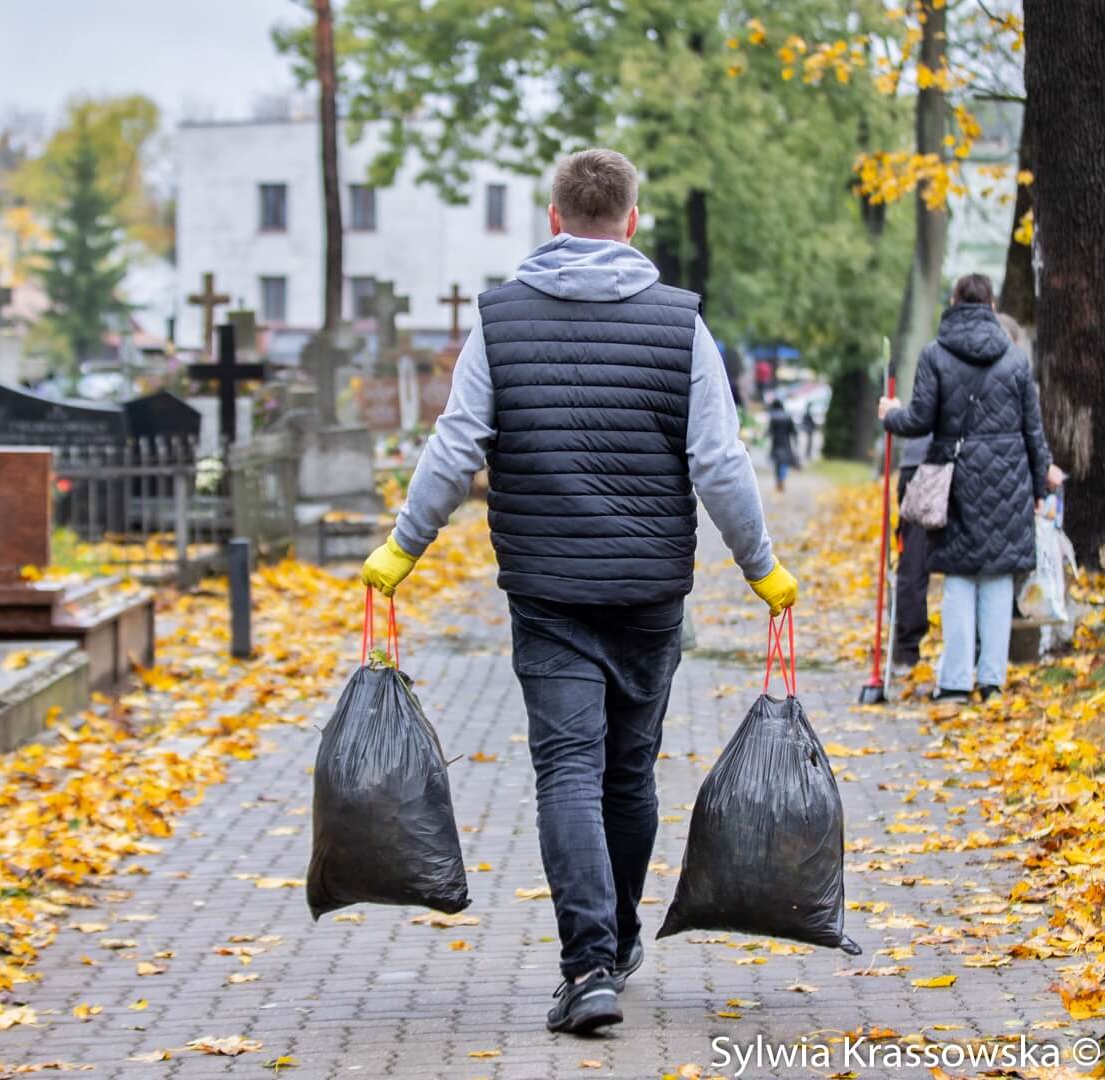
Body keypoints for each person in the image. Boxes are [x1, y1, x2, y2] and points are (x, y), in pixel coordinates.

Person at [360, 148, 798, 1036]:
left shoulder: (501, 319)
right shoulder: (683, 326)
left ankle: (589, 964)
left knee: (567, 768)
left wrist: (404, 547)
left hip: (549, 588)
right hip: (647, 590)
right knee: (628, 770)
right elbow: (718, 459)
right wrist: (760, 565)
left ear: (553, 220)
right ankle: (618, 936)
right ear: (632, 222)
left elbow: (455, 446)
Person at [878, 273, 1061, 702]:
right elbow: (1033, 432)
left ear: (955, 302)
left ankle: (956, 681)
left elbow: (920, 420)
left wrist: (890, 415)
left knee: (959, 579)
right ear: (992, 306)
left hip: (956, 479)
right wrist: (1039, 485)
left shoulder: (934, 356)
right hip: (1008, 479)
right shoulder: (1015, 361)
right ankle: (992, 680)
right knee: (997, 578)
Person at [766, 396, 800, 492]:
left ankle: (778, 482)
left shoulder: (773, 417)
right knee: (784, 463)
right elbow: (793, 431)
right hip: (786, 443)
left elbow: (769, 431)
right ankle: (782, 480)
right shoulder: (787, 416)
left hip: (776, 443)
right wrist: (796, 443)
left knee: (777, 463)